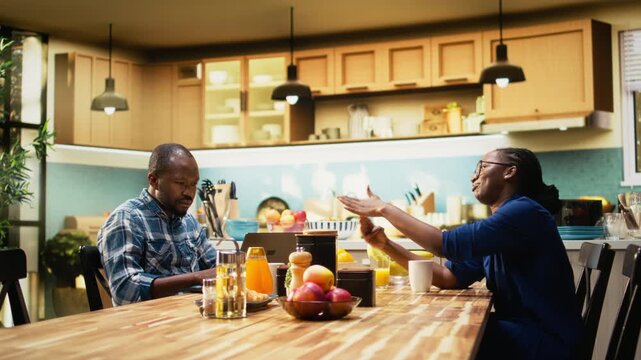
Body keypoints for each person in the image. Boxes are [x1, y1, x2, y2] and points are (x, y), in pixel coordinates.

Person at [338, 148, 582, 360]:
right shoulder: (504, 223)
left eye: (482, 166)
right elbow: (448, 277)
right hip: (525, 331)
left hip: (545, 342)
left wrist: (385, 208)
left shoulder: (524, 212)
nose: (473, 175)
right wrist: (386, 245)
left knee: (436, 337)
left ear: (510, 172)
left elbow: (444, 245)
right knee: (439, 332)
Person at [97, 143, 216, 306]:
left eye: (193, 184)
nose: (189, 193)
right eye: (180, 183)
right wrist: (195, 278)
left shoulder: (190, 224)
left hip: (191, 317)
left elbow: (217, 268)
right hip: (148, 325)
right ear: (154, 181)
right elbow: (125, 291)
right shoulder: (127, 219)